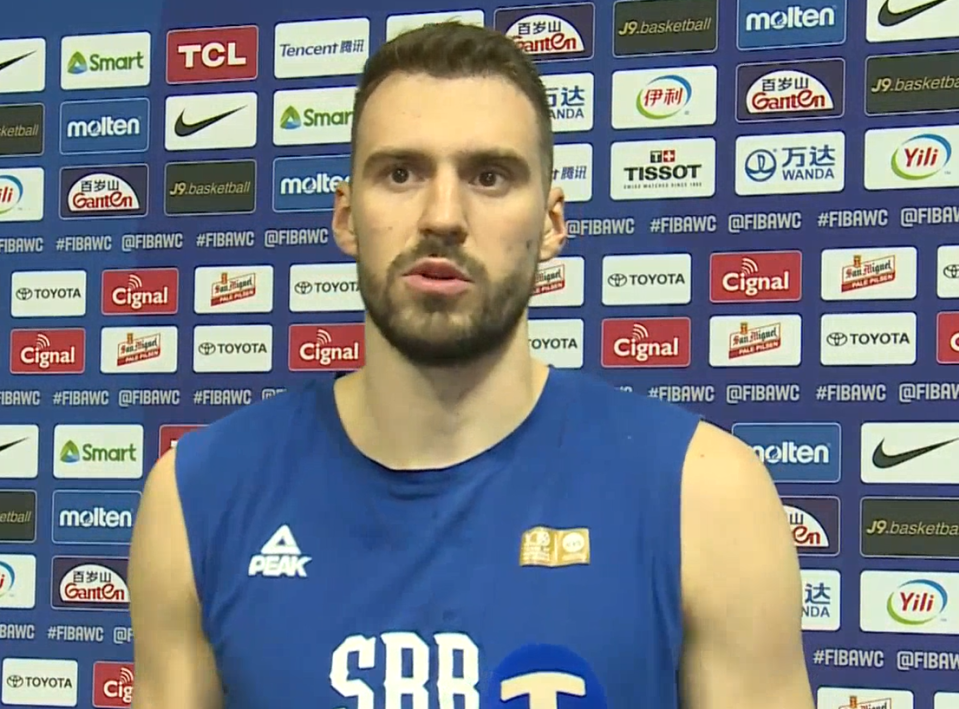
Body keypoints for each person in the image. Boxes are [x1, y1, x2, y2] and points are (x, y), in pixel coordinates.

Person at [128, 21, 814, 709]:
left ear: (550, 223)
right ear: (346, 216)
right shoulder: (199, 498)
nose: (443, 216)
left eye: (489, 176)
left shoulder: (703, 495)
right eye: (401, 174)